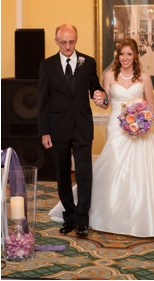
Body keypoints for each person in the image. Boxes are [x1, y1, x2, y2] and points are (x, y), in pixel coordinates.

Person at [50, 38, 154, 238]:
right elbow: (105, 103)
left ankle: (138, 216)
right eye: (122, 54)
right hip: (116, 126)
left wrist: (142, 121)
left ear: (135, 55)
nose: (125, 58)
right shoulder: (109, 76)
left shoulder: (145, 78)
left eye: (129, 54)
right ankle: (104, 212)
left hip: (140, 131)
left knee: (140, 170)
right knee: (113, 166)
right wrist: (99, 99)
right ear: (118, 56)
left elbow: (151, 107)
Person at [38, 24, 109, 237]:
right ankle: (68, 216)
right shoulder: (47, 65)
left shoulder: (87, 62)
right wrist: (44, 131)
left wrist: (100, 95)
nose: (68, 46)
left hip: (82, 127)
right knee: (62, 174)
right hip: (57, 129)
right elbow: (43, 101)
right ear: (56, 41)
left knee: (84, 174)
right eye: (64, 42)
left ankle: (82, 220)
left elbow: (95, 88)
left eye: (72, 42)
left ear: (76, 39)